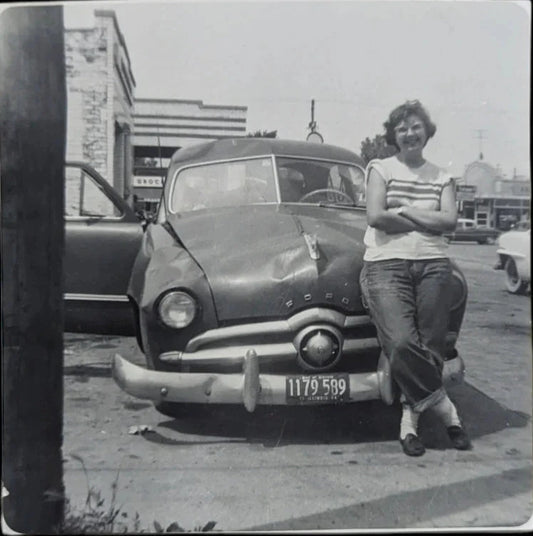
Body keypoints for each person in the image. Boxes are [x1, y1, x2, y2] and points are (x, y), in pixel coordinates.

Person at [360, 100, 472, 457]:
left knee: (431, 346)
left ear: (427, 132)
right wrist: (427, 217)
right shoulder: (380, 168)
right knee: (402, 343)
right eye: (402, 129)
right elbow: (376, 216)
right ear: (393, 136)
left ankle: (409, 423)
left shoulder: (443, 177)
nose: (410, 134)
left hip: (434, 265)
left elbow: (450, 222)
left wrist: (405, 210)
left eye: (416, 127)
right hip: (386, 264)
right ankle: (446, 409)